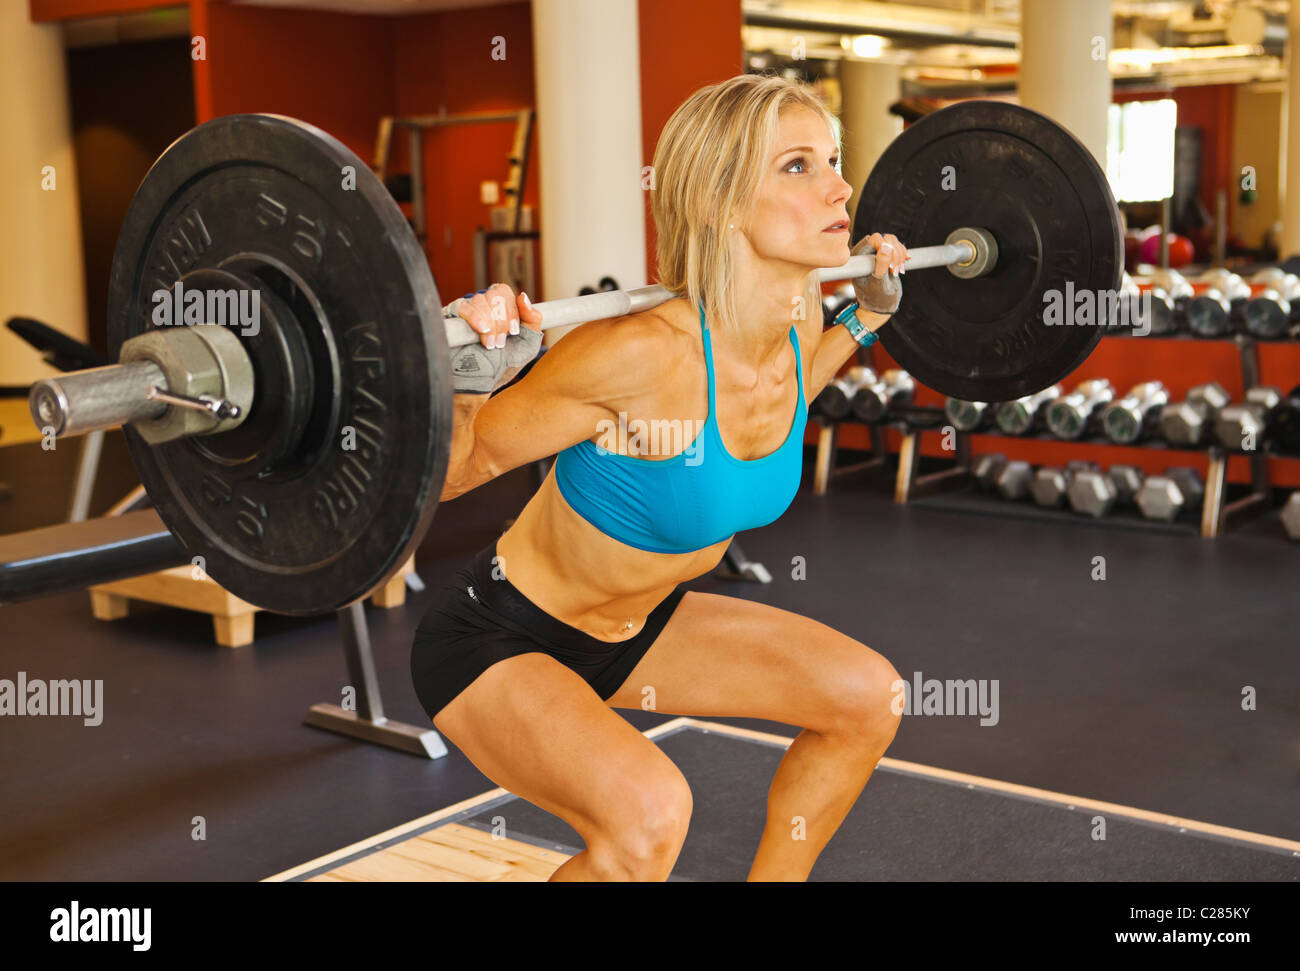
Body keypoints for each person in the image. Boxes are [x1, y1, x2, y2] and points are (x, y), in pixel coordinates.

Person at [410, 73, 910, 882]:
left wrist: (866, 316)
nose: (839, 185)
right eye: (796, 166)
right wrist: (466, 375)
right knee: (648, 817)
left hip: (640, 630)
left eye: (833, 159)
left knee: (869, 697)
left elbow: (789, 390)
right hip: (502, 641)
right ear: (717, 204)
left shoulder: (796, 323)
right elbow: (450, 475)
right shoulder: (639, 354)